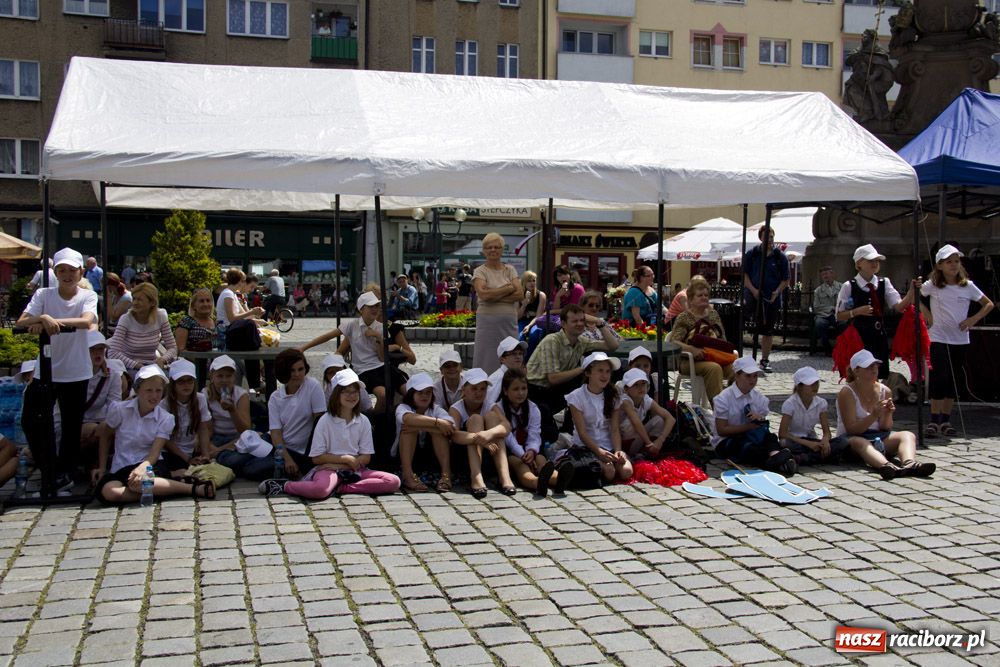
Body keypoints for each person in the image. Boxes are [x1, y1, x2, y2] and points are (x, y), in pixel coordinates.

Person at [17, 247, 98, 490]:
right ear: (55, 272)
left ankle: (65, 472)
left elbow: (87, 321)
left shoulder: (86, 296)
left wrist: (51, 321)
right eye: (61, 270)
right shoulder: (44, 294)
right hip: (47, 371)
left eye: (71, 270)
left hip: (76, 371)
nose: (66, 275)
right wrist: (42, 319)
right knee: (31, 420)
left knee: (71, 427)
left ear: (80, 272)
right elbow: (22, 320)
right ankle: (47, 466)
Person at [259, 369, 400, 499]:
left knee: (393, 481)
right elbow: (317, 458)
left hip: (355, 469)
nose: (352, 396)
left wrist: (347, 464)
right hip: (328, 469)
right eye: (346, 391)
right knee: (321, 490)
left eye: (355, 391)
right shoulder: (325, 421)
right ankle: (286, 486)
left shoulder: (363, 421)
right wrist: (344, 459)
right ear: (336, 394)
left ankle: (344, 488)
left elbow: (366, 456)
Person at [93, 365, 215, 503]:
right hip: (122, 466)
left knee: (141, 483)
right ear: (138, 390)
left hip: (149, 464)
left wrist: (142, 467)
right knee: (110, 492)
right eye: (149, 390)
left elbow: (154, 453)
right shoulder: (120, 410)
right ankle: (165, 490)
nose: (154, 395)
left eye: (158, 391)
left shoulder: (165, 418)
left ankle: (191, 489)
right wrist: (102, 467)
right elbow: (106, 436)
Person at [920, 244, 994, 437]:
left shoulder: (967, 286)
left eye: (956, 261)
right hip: (937, 337)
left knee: (953, 380)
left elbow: (988, 304)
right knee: (939, 377)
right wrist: (925, 311)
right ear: (940, 266)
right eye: (949, 262)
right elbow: (914, 296)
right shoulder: (933, 285)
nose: (953, 265)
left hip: (959, 339)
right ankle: (934, 419)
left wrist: (972, 319)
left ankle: (946, 419)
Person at [836, 350, 935, 480]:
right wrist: (873, 415)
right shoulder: (847, 392)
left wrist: (888, 414)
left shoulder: (885, 390)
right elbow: (851, 429)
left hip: (877, 438)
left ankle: (909, 463)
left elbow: (885, 427)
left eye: (875, 365)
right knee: (860, 442)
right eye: (869, 366)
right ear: (856, 371)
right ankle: (886, 466)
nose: (874, 369)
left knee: (907, 435)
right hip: (851, 441)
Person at [300, 292, 410, 405]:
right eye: (371, 306)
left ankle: (403, 416)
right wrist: (303, 348)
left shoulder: (380, 328)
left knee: (408, 390)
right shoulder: (352, 325)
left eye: (377, 306)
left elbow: (382, 358)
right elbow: (328, 336)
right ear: (361, 309)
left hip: (382, 367)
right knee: (383, 395)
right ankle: (374, 418)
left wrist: (378, 338)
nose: (375, 309)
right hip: (363, 370)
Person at [836, 244, 919, 380]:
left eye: (876, 260)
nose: (874, 263)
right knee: (859, 373)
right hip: (859, 336)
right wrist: (856, 312)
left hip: (878, 335)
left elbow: (898, 306)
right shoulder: (849, 285)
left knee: (877, 372)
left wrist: (910, 292)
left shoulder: (884, 283)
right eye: (870, 260)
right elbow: (839, 315)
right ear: (859, 264)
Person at [525, 304, 620, 417]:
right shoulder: (552, 341)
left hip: (556, 388)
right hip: (536, 391)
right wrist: (583, 368)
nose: (580, 324)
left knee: (606, 372)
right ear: (563, 324)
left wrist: (599, 322)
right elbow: (553, 378)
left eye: (581, 320)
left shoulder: (581, 341)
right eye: (574, 321)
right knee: (587, 375)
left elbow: (613, 346)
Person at [712, 356, 796, 475]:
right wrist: (749, 427)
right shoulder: (723, 398)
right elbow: (721, 430)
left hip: (750, 435)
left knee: (770, 437)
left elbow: (761, 427)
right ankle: (775, 461)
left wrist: (759, 419)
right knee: (747, 447)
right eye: (748, 376)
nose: (752, 379)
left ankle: (776, 456)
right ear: (737, 375)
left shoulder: (759, 398)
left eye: (755, 376)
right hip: (727, 440)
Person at [499, 368, 571, 496]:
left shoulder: (533, 408)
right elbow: (508, 437)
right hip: (511, 450)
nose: (520, 393)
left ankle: (558, 479)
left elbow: (534, 433)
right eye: (515, 389)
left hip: (530, 449)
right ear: (505, 391)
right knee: (520, 465)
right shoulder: (499, 409)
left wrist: (531, 450)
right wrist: (522, 454)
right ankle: (536, 483)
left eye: (523, 388)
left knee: (541, 460)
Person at [563, 352, 631, 485]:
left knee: (626, 471)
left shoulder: (613, 395)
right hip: (587, 446)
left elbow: (614, 429)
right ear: (588, 373)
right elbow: (582, 433)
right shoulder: (576, 397)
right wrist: (599, 452)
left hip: (608, 445)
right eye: (600, 371)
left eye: (607, 371)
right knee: (609, 473)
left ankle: (608, 462)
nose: (604, 375)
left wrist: (618, 450)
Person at [448, 368, 515, 499]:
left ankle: (504, 476)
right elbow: (453, 435)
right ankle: (476, 476)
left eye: (483, 389)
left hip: (490, 453)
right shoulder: (456, 408)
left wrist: (489, 434)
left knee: (493, 419)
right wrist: (478, 438)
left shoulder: (490, 405)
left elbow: (506, 426)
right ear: (464, 389)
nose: (479, 393)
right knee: (475, 419)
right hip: (463, 458)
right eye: (474, 388)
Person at [669, 276, 735, 402]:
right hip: (689, 360)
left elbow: (723, 339)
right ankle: (720, 411)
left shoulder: (713, 315)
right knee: (714, 368)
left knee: (738, 368)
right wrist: (691, 349)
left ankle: (735, 405)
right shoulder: (685, 317)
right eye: (700, 295)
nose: (704, 297)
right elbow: (673, 341)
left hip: (714, 356)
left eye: (706, 295)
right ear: (691, 299)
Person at [267, 349, 326, 481]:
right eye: (292, 370)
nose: (297, 374)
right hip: (282, 449)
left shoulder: (312, 387)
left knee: (257, 469)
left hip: (304, 451)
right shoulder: (275, 398)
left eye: (301, 369)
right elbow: (275, 433)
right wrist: (287, 459)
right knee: (251, 465)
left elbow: (320, 422)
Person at [392, 373, 456, 493]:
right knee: (409, 430)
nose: (425, 396)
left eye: (428, 392)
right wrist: (437, 423)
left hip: (430, 454)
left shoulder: (435, 409)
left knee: (439, 432)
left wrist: (433, 427)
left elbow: (450, 426)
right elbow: (407, 419)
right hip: (406, 456)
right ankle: (408, 476)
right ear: (412, 394)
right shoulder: (403, 407)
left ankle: (445, 476)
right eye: (420, 392)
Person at [72, 331, 128, 463]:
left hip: (101, 420)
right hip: (74, 423)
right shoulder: (73, 374)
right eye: (93, 350)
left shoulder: (112, 375)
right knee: (96, 429)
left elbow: (114, 405)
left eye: (101, 349)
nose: (98, 353)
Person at [473, 233, 523, 374]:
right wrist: (508, 288)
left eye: (496, 247)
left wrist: (492, 295)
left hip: (508, 324)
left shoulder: (510, 270)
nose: (493, 250)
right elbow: (483, 294)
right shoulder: (480, 271)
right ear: (484, 251)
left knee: (511, 354)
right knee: (486, 358)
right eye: (489, 247)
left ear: (502, 250)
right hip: (487, 325)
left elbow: (519, 294)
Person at [743, 226, 790, 372]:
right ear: (760, 238)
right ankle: (746, 359)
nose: (769, 240)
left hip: (771, 298)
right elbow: (745, 276)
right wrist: (753, 290)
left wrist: (777, 292)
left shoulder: (779, 256)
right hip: (754, 296)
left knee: (768, 330)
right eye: (766, 237)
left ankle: (764, 359)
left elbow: (785, 279)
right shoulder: (752, 254)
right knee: (748, 325)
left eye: (771, 237)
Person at [779, 366, 847, 467]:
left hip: (812, 439)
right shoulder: (790, 404)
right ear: (799, 386)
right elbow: (782, 433)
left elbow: (827, 432)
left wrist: (825, 440)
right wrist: (807, 444)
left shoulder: (821, 403)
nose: (815, 386)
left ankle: (803, 458)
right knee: (784, 443)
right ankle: (819, 457)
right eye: (810, 384)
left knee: (843, 441)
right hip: (795, 440)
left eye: (816, 383)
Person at [204, 356, 260, 478]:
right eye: (220, 376)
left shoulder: (241, 395)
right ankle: (232, 462)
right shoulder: (205, 395)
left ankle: (222, 459)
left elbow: (245, 431)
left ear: (234, 378)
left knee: (242, 453)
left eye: (228, 376)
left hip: (237, 438)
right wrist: (210, 447)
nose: (224, 380)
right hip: (216, 438)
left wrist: (232, 410)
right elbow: (205, 429)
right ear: (212, 377)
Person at [106, 282, 178, 375]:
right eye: (134, 299)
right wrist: (137, 365)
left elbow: (172, 348)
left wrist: (163, 359)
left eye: (139, 300)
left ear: (152, 302)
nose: (135, 303)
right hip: (129, 366)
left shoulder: (161, 316)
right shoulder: (126, 319)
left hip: (152, 365)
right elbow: (113, 352)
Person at [160, 359, 212, 478]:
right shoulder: (164, 404)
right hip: (169, 452)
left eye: (190, 381)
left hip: (190, 451)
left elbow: (203, 428)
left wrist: (205, 455)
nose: (186, 385)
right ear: (173, 384)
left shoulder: (200, 399)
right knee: (179, 466)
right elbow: (165, 439)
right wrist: (187, 458)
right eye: (181, 382)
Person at [217, 268, 266, 390]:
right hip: (227, 331)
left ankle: (257, 379)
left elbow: (243, 314)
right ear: (240, 281)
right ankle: (256, 380)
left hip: (232, 329)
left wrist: (255, 316)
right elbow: (232, 318)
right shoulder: (228, 294)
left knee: (252, 333)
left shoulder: (232, 294)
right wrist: (252, 314)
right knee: (250, 330)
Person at [619, 368, 674, 461]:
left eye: (643, 384)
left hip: (637, 440)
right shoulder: (625, 401)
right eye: (635, 385)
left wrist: (660, 440)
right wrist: (648, 443)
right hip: (623, 443)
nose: (640, 388)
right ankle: (646, 450)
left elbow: (670, 418)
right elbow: (636, 422)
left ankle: (648, 451)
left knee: (659, 420)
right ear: (626, 389)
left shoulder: (646, 399)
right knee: (633, 423)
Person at [486, 336, 527, 405]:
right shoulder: (498, 378)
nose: (518, 357)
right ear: (502, 359)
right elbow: (489, 405)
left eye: (520, 353)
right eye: (514, 354)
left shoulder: (518, 374)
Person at [174, 288, 216, 353]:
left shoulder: (216, 322)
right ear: (193, 305)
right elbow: (180, 350)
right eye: (201, 301)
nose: (205, 304)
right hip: (191, 361)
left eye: (208, 300)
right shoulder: (186, 321)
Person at [813, 266, 843, 355]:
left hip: (838, 314)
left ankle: (840, 347)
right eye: (823, 275)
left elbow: (845, 301)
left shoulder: (841, 287)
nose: (825, 276)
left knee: (843, 324)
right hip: (823, 315)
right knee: (819, 324)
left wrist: (837, 309)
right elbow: (816, 307)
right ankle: (827, 348)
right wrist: (830, 308)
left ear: (832, 274)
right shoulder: (818, 291)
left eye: (826, 274)